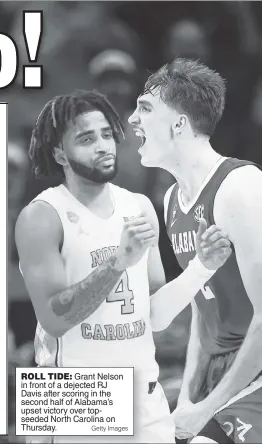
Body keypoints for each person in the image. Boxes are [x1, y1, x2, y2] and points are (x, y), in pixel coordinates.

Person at [15, 90, 232, 443]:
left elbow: (156, 316)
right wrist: (117, 263)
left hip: (144, 394)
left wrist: (200, 268)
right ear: (59, 154)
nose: (103, 145)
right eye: (86, 139)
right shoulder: (41, 217)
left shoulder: (140, 207)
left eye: (106, 134)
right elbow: (54, 319)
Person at [128, 57, 262, 444]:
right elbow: (203, 314)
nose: (133, 120)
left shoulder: (241, 186)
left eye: (145, 108)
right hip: (224, 372)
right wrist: (189, 397)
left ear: (178, 124)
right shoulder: (172, 199)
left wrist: (208, 409)